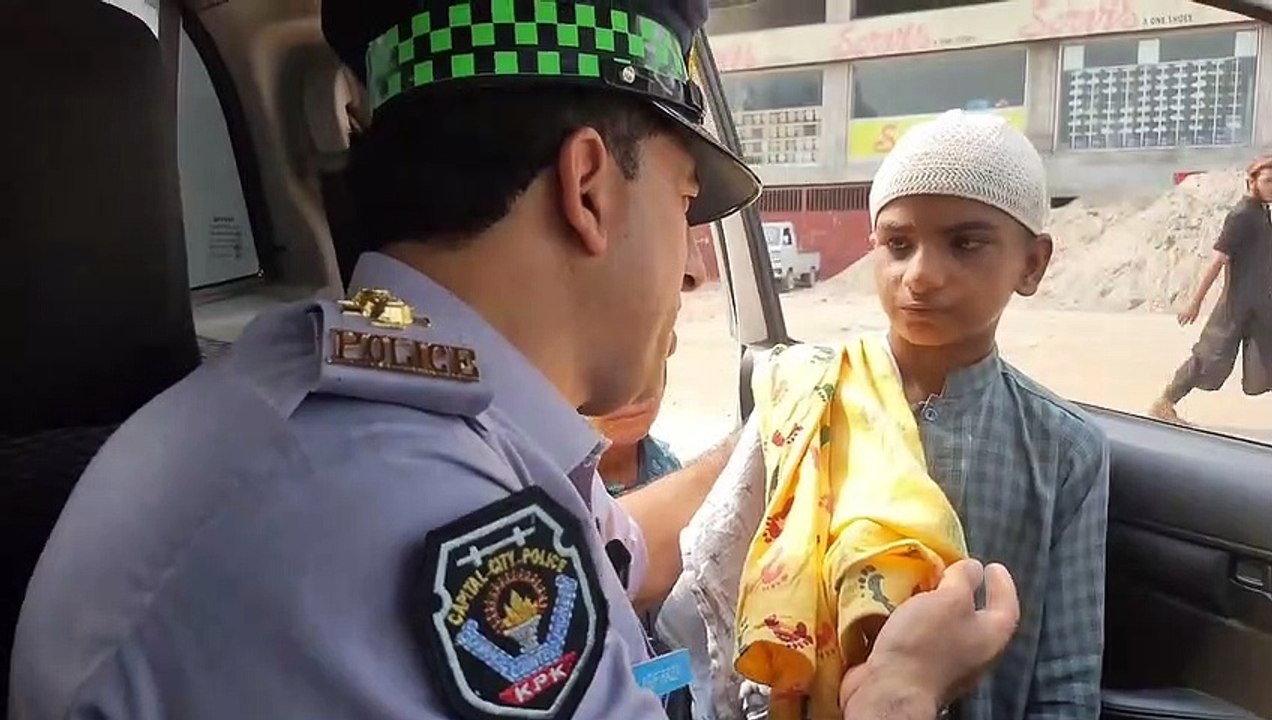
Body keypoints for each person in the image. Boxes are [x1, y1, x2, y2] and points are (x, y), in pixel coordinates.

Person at [10, 4, 1018, 720]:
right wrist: (898, 692)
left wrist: (790, 429)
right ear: (589, 189)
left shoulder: (355, 382)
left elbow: (616, 551)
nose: (692, 269)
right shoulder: (415, 511)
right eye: (683, 204)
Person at [865, 109, 1110, 720]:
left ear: (1032, 264)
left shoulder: (1064, 449)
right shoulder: (813, 395)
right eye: (898, 244)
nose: (921, 276)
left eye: (965, 244)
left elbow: (1066, 681)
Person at [1150, 156, 1272, 424]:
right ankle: (1164, 403)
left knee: (1267, 360)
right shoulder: (1241, 215)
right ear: (1251, 182)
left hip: (1260, 305)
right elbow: (1218, 261)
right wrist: (1195, 302)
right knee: (1208, 358)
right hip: (1235, 306)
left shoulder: (1262, 211)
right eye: (1268, 181)